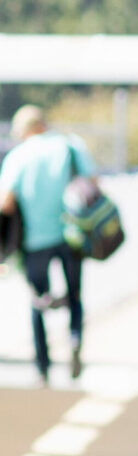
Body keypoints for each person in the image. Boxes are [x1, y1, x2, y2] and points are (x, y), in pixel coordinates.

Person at [0, 105, 95, 383]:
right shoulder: (70, 146)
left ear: (24, 130)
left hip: (34, 240)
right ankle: (75, 338)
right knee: (75, 295)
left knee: (37, 301)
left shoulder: (18, 156)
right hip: (71, 235)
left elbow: (5, 201)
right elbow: (91, 182)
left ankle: (43, 366)